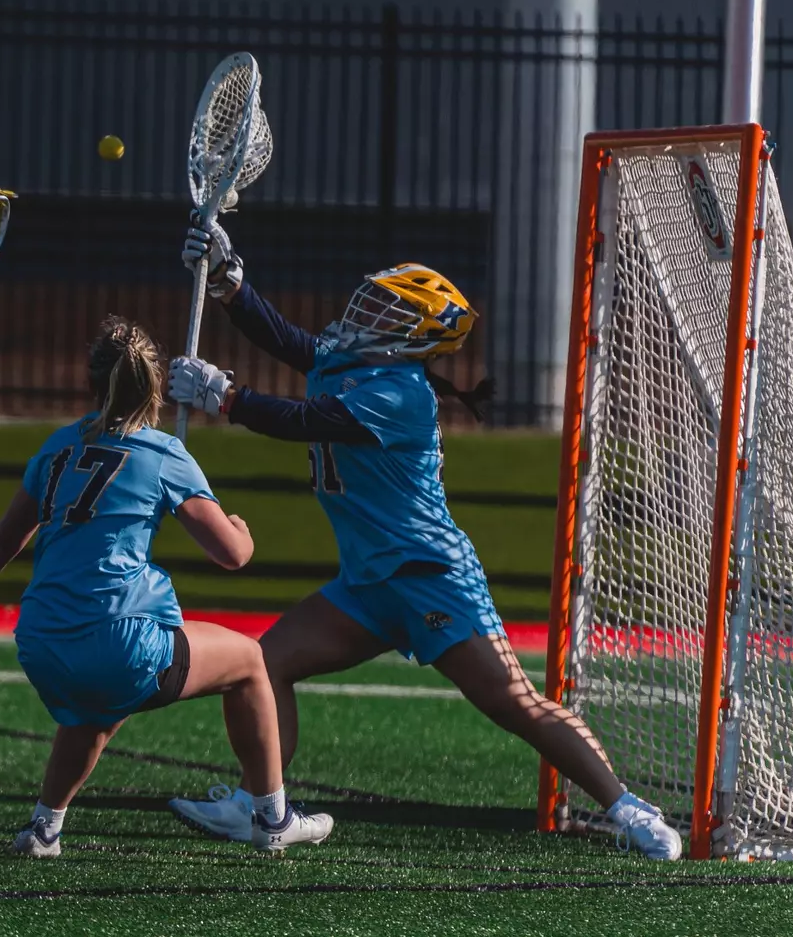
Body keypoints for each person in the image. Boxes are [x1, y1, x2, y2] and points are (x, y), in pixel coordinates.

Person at [163, 220, 683, 860]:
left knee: (513, 703)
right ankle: (259, 805)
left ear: (416, 337)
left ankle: (627, 807)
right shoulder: (356, 363)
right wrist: (230, 284)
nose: (369, 309)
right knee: (265, 665)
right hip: (368, 583)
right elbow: (294, 344)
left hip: (428, 575)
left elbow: (305, 420)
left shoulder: (400, 392)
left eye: (390, 309)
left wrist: (227, 397)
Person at [0, 316, 334, 856]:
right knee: (250, 662)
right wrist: (240, 528)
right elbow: (232, 556)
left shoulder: (57, 448)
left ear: (91, 384)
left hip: (41, 643)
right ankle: (272, 816)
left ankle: (44, 829)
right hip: (119, 641)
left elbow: (5, 537)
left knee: (95, 710)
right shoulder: (164, 452)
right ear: (156, 387)